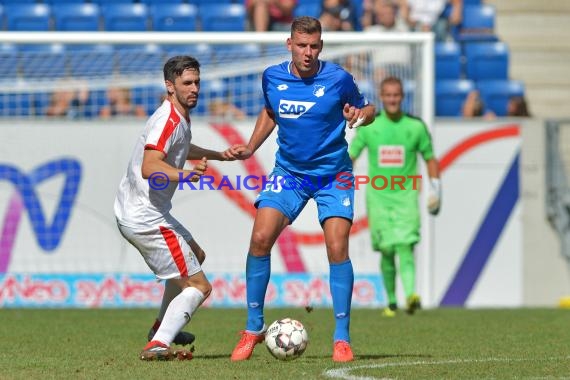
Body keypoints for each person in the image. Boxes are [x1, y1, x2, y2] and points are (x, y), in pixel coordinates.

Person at [227, 16, 376, 363]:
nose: (308, 52)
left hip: (332, 175)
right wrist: (250, 146)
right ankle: (252, 329)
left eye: (314, 46)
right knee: (260, 238)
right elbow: (270, 111)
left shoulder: (338, 78)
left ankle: (341, 338)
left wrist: (361, 114)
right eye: (302, 45)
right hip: (289, 173)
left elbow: (370, 108)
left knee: (337, 247)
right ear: (289, 45)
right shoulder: (273, 77)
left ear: (320, 46)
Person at [114, 55, 235, 361]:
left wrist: (219, 155)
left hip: (147, 211)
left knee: (197, 256)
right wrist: (186, 175)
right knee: (199, 285)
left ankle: (161, 327)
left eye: (197, 82)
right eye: (187, 83)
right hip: (145, 217)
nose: (194, 88)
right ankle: (158, 343)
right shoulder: (166, 119)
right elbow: (149, 166)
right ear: (170, 86)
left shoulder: (179, 116)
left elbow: (181, 147)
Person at [348, 76, 441, 318]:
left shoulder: (416, 127)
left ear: (402, 96)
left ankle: (411, 295)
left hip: (406, 196)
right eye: (387, 95)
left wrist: (435, 189)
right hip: (378, 198)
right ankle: (391, 301)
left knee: (405, 245)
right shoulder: (371, 127)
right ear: (381, 96)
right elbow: (352, 155)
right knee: (387, 250)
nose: (392, 99)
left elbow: (430, 157)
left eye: (396, 95)